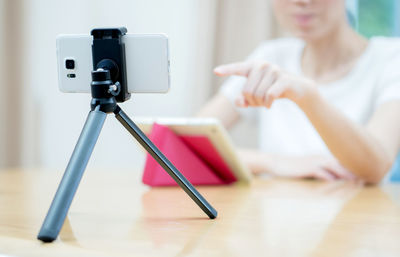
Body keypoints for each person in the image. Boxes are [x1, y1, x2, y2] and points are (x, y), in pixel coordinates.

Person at [198, 0, 400, 184]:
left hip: (358, 217)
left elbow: (376, 167)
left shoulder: (390, 58)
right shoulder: (272, 55)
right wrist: (274, 162)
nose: (302, 2)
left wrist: (308, 98)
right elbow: (191, 143)